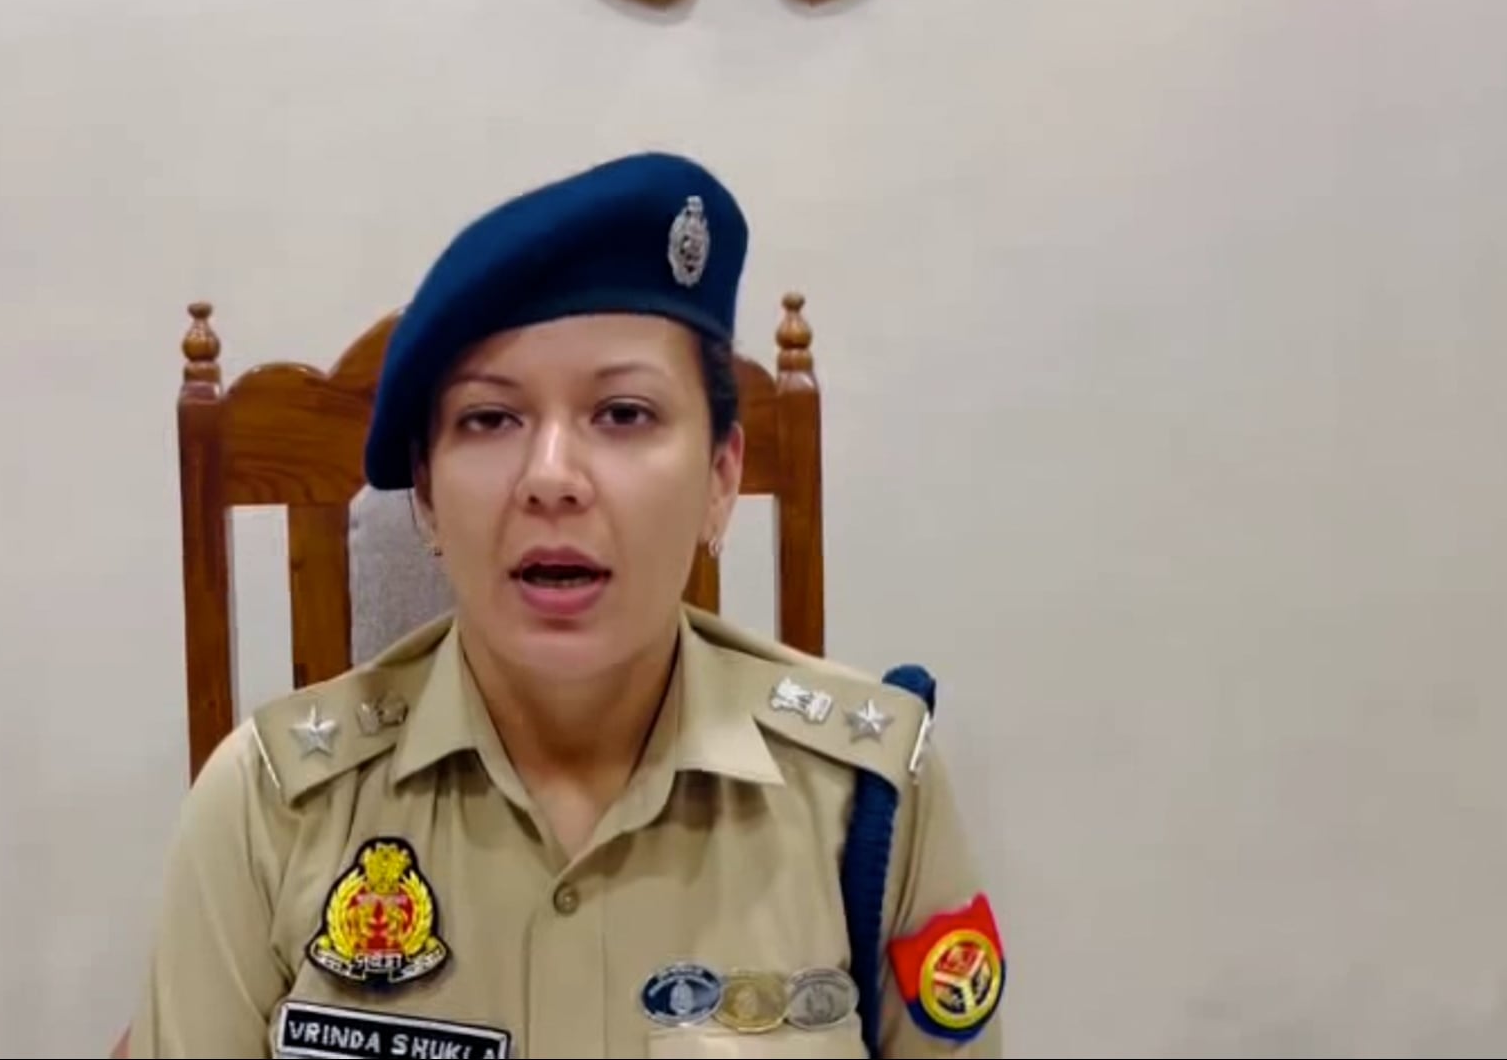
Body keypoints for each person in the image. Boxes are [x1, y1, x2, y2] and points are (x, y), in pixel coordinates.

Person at [123, 151, 1005, 1059]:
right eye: (490, 419)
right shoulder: (271, 808)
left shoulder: (869, 798)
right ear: (426, 495)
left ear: (720, 478)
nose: (551, 478)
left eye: (623, 414)